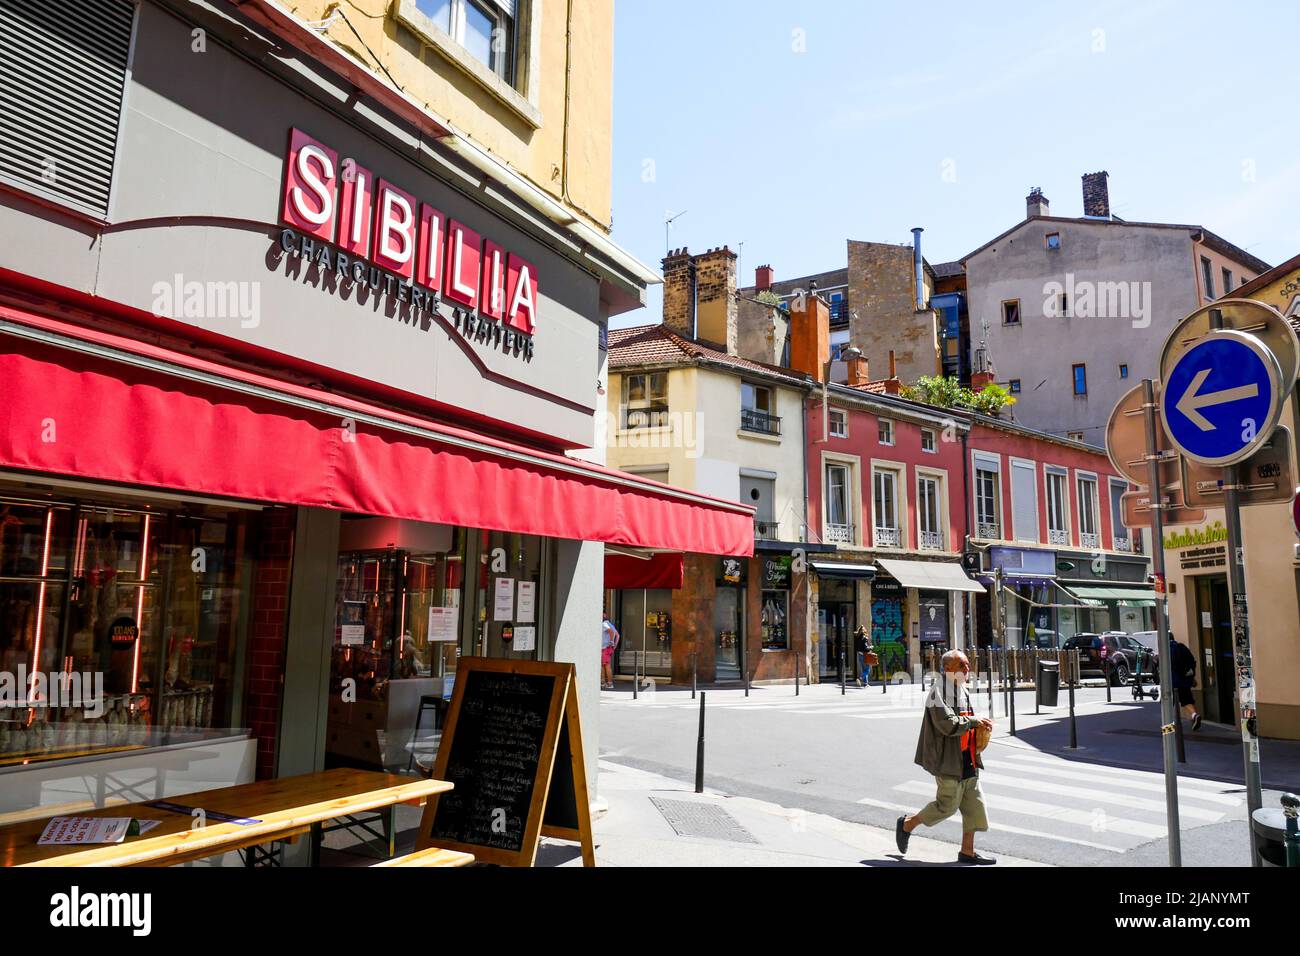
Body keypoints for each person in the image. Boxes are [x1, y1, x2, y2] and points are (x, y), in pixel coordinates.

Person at [896, 649, 996, 865]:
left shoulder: (962, 689)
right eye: (962, 665)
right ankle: (907, 824)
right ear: (948, 668)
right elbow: (948, 724)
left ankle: (967, 852)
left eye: (968, 664)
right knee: (946, 806)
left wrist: (980, 726)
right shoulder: (937, 692)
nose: (967, 669)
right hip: (949, 762)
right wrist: (974, 721)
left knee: (974, 807)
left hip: (968, 758)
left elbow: (967, 721)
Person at [1168, 635, 1201, 731]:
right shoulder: (1181, 647)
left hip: (1173, 682)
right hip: (1185, 680)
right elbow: (1192, 662)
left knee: (1167, 705)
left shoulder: (1166, 650)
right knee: (1187, 700)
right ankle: (1195, 715)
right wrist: (1191, 677)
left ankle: (1169, 729)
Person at [600, 614, 620, 690]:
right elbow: (617, 635)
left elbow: (611, 632)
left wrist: (612, 642)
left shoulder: (603, 624)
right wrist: (614, 645)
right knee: (605, 665)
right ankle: (605, 682)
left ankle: (608, 683)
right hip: (608, 648)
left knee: (604, 665)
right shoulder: (609, 624)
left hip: (604, 648)